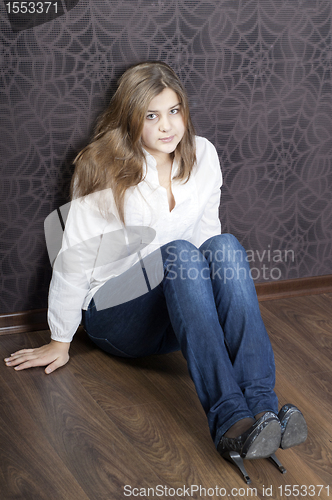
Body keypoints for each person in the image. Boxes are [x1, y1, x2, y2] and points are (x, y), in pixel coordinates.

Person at [4, 61, 307, 483]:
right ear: (131, 118)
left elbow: (208, 239)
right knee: (180, 252)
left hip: (177, 311)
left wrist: (219, 302)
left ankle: (263, 408)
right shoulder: (102, 167)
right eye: (151, 115)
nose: (167, 126)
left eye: (174, 111)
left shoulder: (203, 156)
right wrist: (60, 339)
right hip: (114, 315)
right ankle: (231, 422)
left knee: (224, 246)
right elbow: (73, 258)